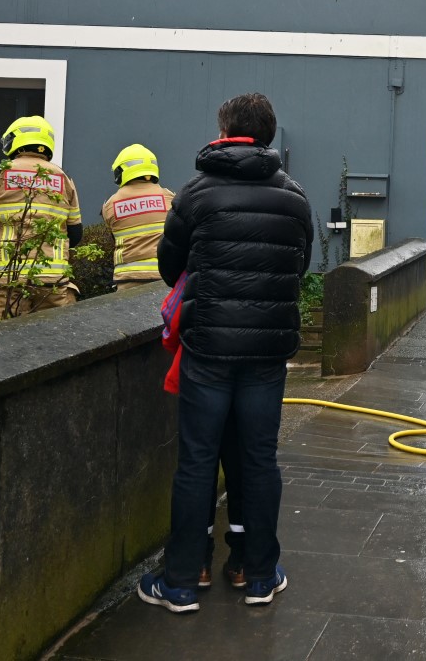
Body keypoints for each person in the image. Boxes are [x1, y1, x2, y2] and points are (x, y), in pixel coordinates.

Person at [138, 93, 312, 613]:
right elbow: (296, 269)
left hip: (208, 348)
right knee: (258, 459)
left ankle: (183, 580)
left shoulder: (195, 194)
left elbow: (171, 268)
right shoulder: (295, 197)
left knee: (195, 462)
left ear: (225, 129)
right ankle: (255, 573)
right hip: (265, 354)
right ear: (268, 136)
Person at [0, 116, 82, 323]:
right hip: (52, 282)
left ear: (13, 141)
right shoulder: (63, 178)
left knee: (2, 344)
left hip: (6, 278)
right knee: (55, 341)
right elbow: (75, 233)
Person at [101, 144, 175, 290]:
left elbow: (113, 236)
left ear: (120, 171)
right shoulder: (170, 198)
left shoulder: (110, 205)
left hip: (127, 280)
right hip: (164, 278)